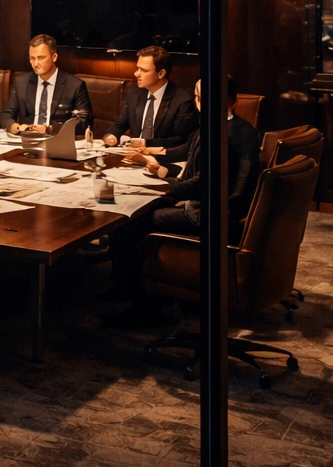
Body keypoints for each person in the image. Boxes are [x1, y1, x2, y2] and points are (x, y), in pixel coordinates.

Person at [100, 76, 262, 327]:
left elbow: (202, 184)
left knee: (126, 224)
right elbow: (187, 159)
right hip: (221, 210)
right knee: (137, 214)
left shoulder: (221, 136)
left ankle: (142, 306)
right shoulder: (232, 128)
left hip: (208, 215)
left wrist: (162, 189)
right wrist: (152, 163)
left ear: (199, 101)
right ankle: (134, 288)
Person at [103, 44, 197, 150]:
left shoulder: (182, 100)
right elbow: (120, 124)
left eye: (144, 70)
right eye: (137, 68)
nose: (136, 74)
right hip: (133, 155)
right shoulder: (134, 94)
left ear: (161, 73)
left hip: (164, 158)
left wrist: (144, 143)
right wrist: (111, 137)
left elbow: (180, 140)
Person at [0, 33, 93, 134]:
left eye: (41, 58)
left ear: (54, 57)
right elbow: (6, 115)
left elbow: (84, 123)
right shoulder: (21, 83)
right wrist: (17, 128)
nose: (35, 64)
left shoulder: (75, 86)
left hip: (57, 141)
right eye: (32, 58)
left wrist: (49, 129)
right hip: (26, 140)